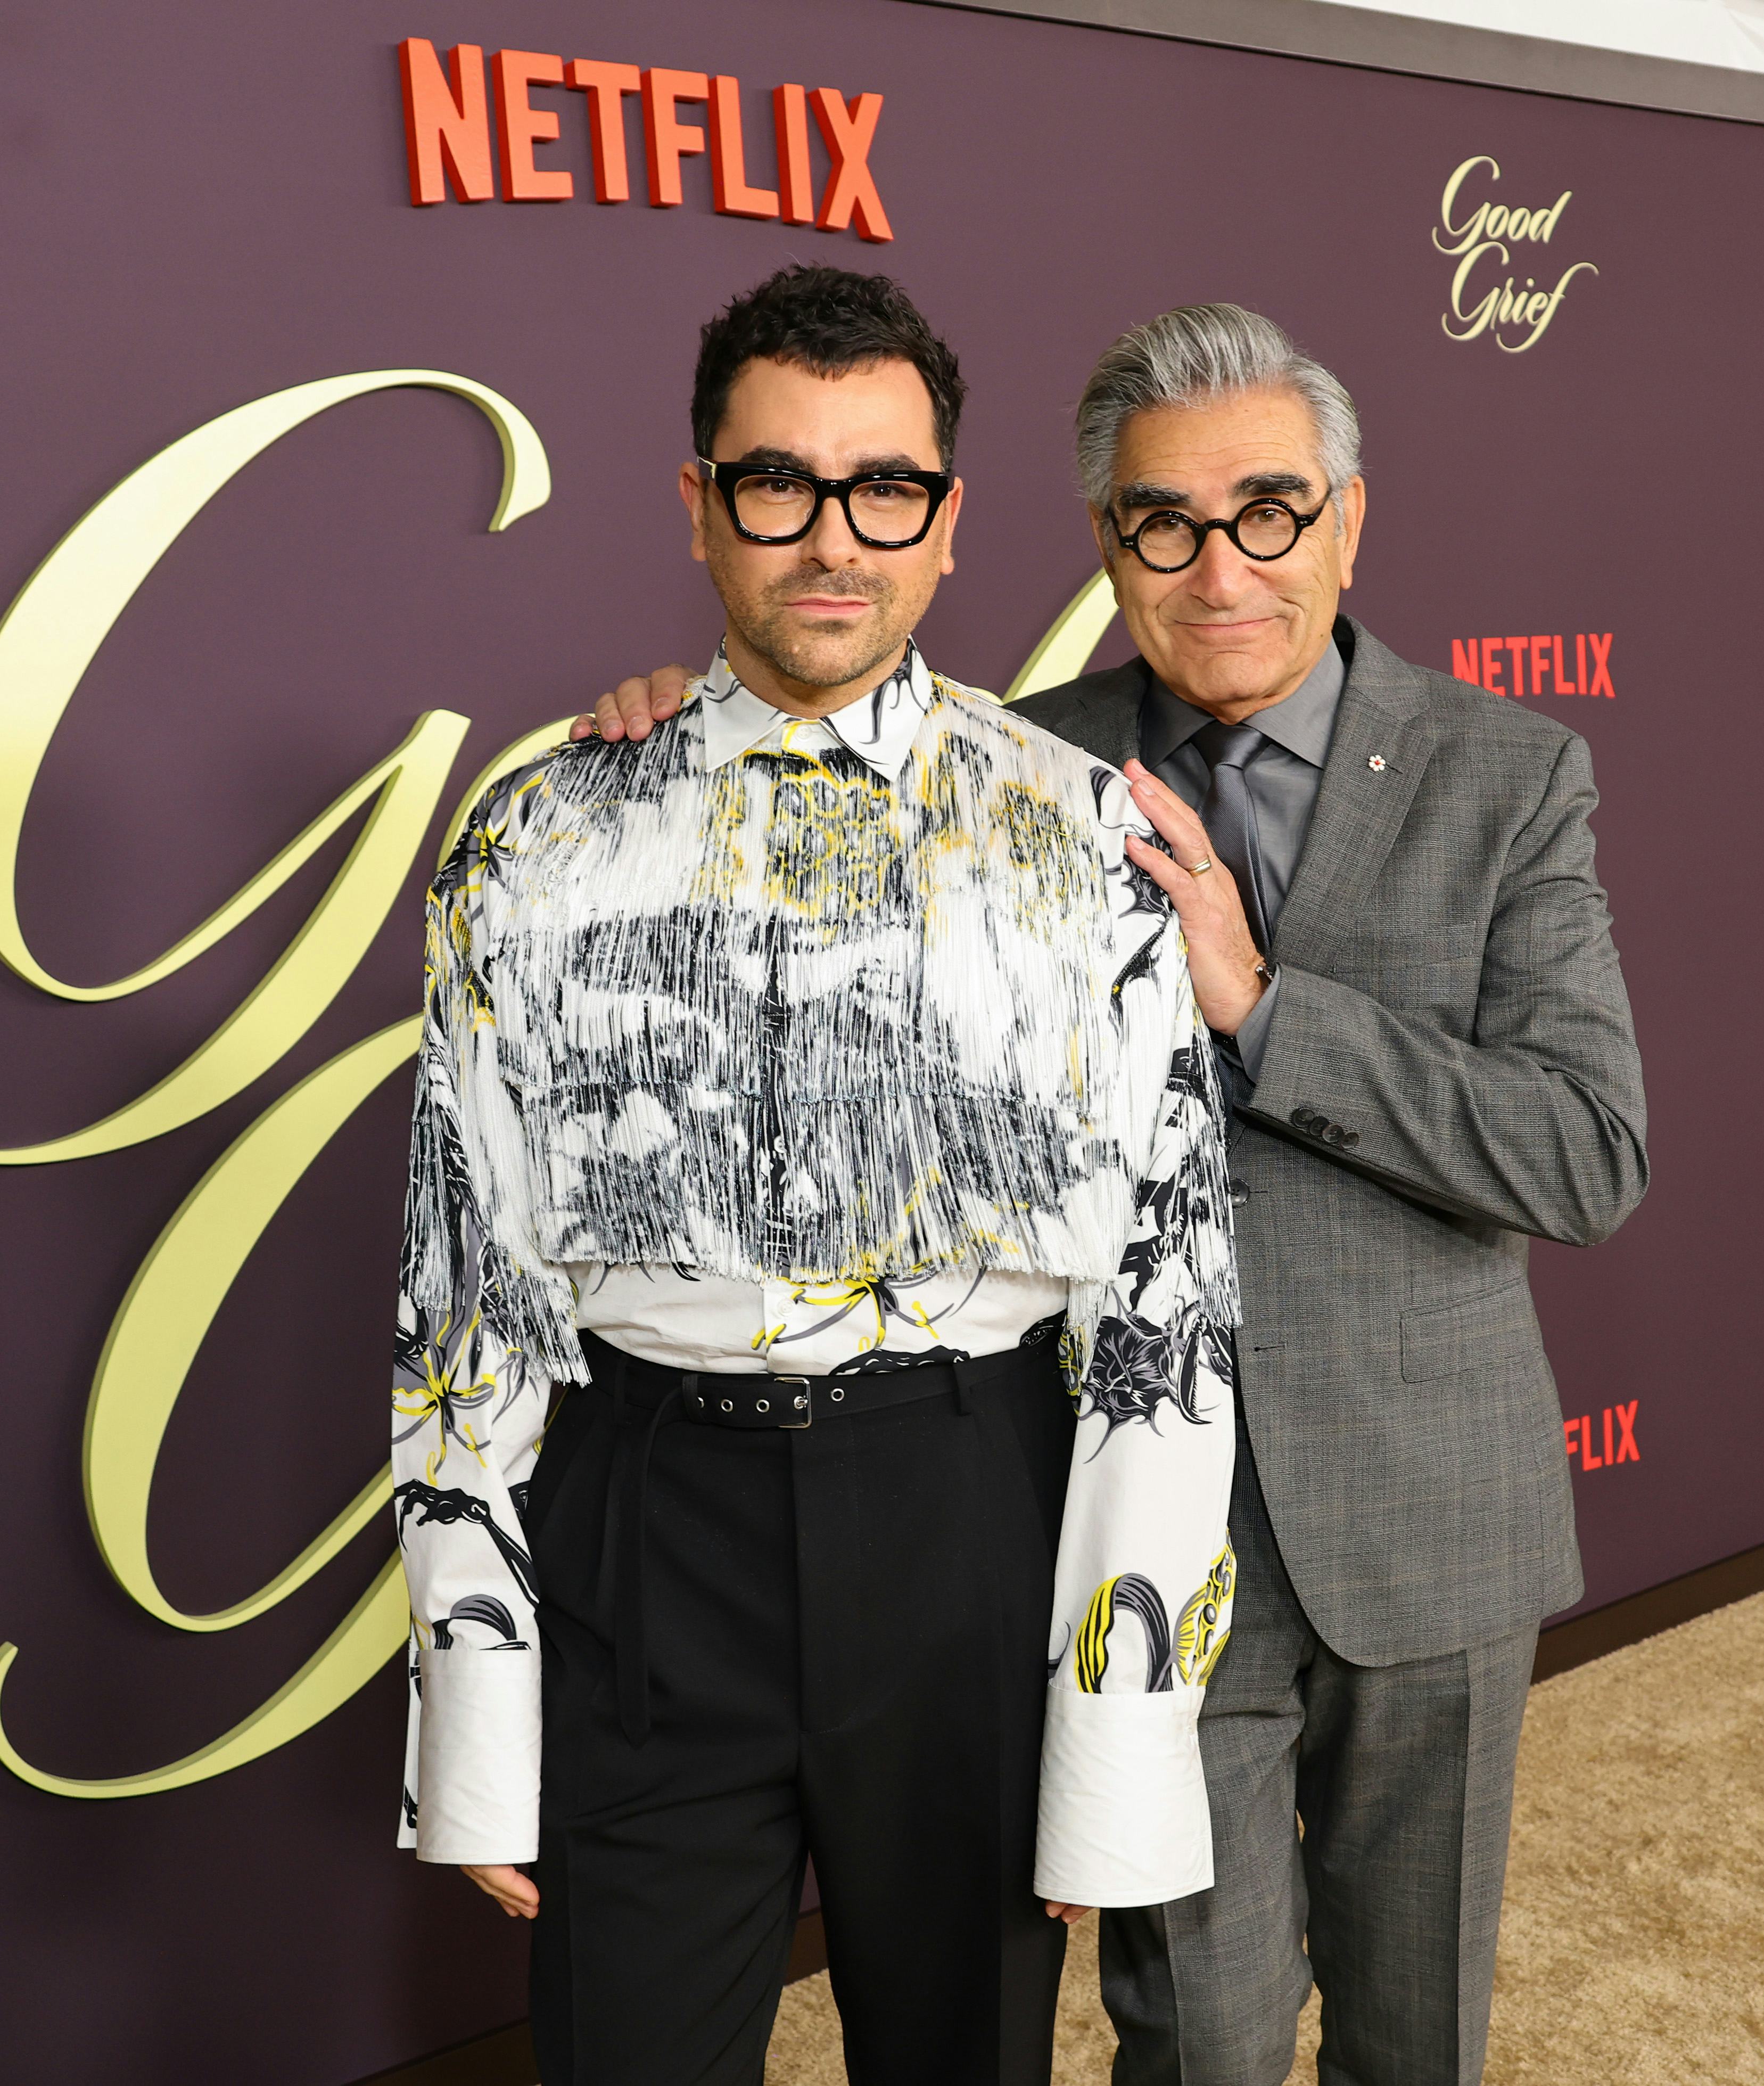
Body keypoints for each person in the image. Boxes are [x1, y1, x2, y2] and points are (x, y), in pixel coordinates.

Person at [577, 302, 1649, 2086]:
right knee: (1195, 2043)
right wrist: (660, 740)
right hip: (1130, 1537)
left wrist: (1260, 1007)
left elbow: (1582, 1154)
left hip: (1426, 1515)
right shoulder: (1009, 766)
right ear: (1105, 546)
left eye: (1268, 514)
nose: (1219, 568)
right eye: (1163, 523)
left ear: (1348, 521)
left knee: (1415, 2033)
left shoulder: (1507, 774)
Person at [392, 265, 1242, 2086]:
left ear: (948, 522)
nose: (831, 540)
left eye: (885, 489)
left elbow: (1166, 1309)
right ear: (698, 506)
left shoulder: (1083, 839)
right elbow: (464, 1294)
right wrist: (471, 1704)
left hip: (964, 1513)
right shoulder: (535, 834)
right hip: (642, 1518)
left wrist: (1112, 1742)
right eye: (777, 484)